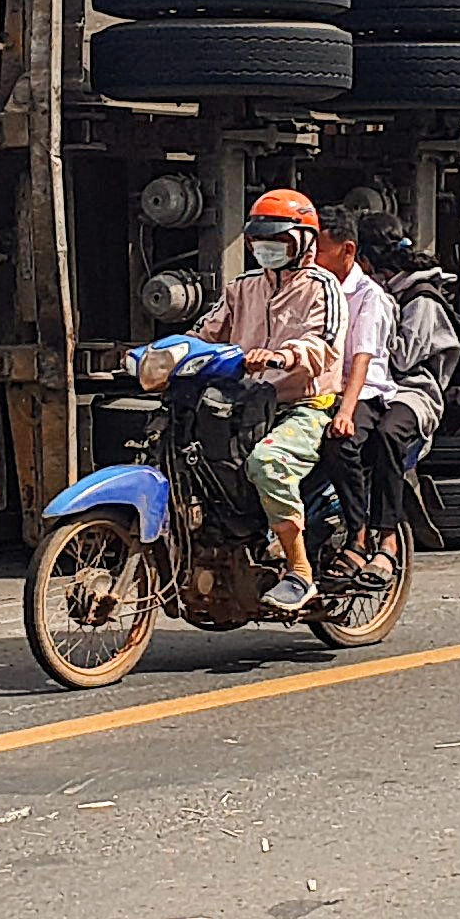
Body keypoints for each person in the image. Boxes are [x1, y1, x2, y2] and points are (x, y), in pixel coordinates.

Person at [188, 189, 343, 615]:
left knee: (266, 465)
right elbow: (204, 333)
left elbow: (323, 344)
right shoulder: (242, 288)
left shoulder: (322, 287)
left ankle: (299, 573)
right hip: (242, 403)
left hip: (305, 405)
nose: (267, 248)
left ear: (305, 242)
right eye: (260, 239)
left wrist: (283, 356)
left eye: (279, 239)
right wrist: (162, 354)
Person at [351, 211, 460, 566]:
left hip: (414, 391)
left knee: (387, 434)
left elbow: (402, 359)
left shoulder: (421, 298)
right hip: (378, 384)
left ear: (366, 260)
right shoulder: (376, 291)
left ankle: (385, 533)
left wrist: (369, 330)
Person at [311, 207, 398, 588]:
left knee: (339, 443)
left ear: (348, 250)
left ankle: (359, 535)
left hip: (361, 392)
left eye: (321, 252)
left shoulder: (368, 296)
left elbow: (361, 359)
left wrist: (345, 411)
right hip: (317, 389)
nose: (312, 259)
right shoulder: (311, 287)